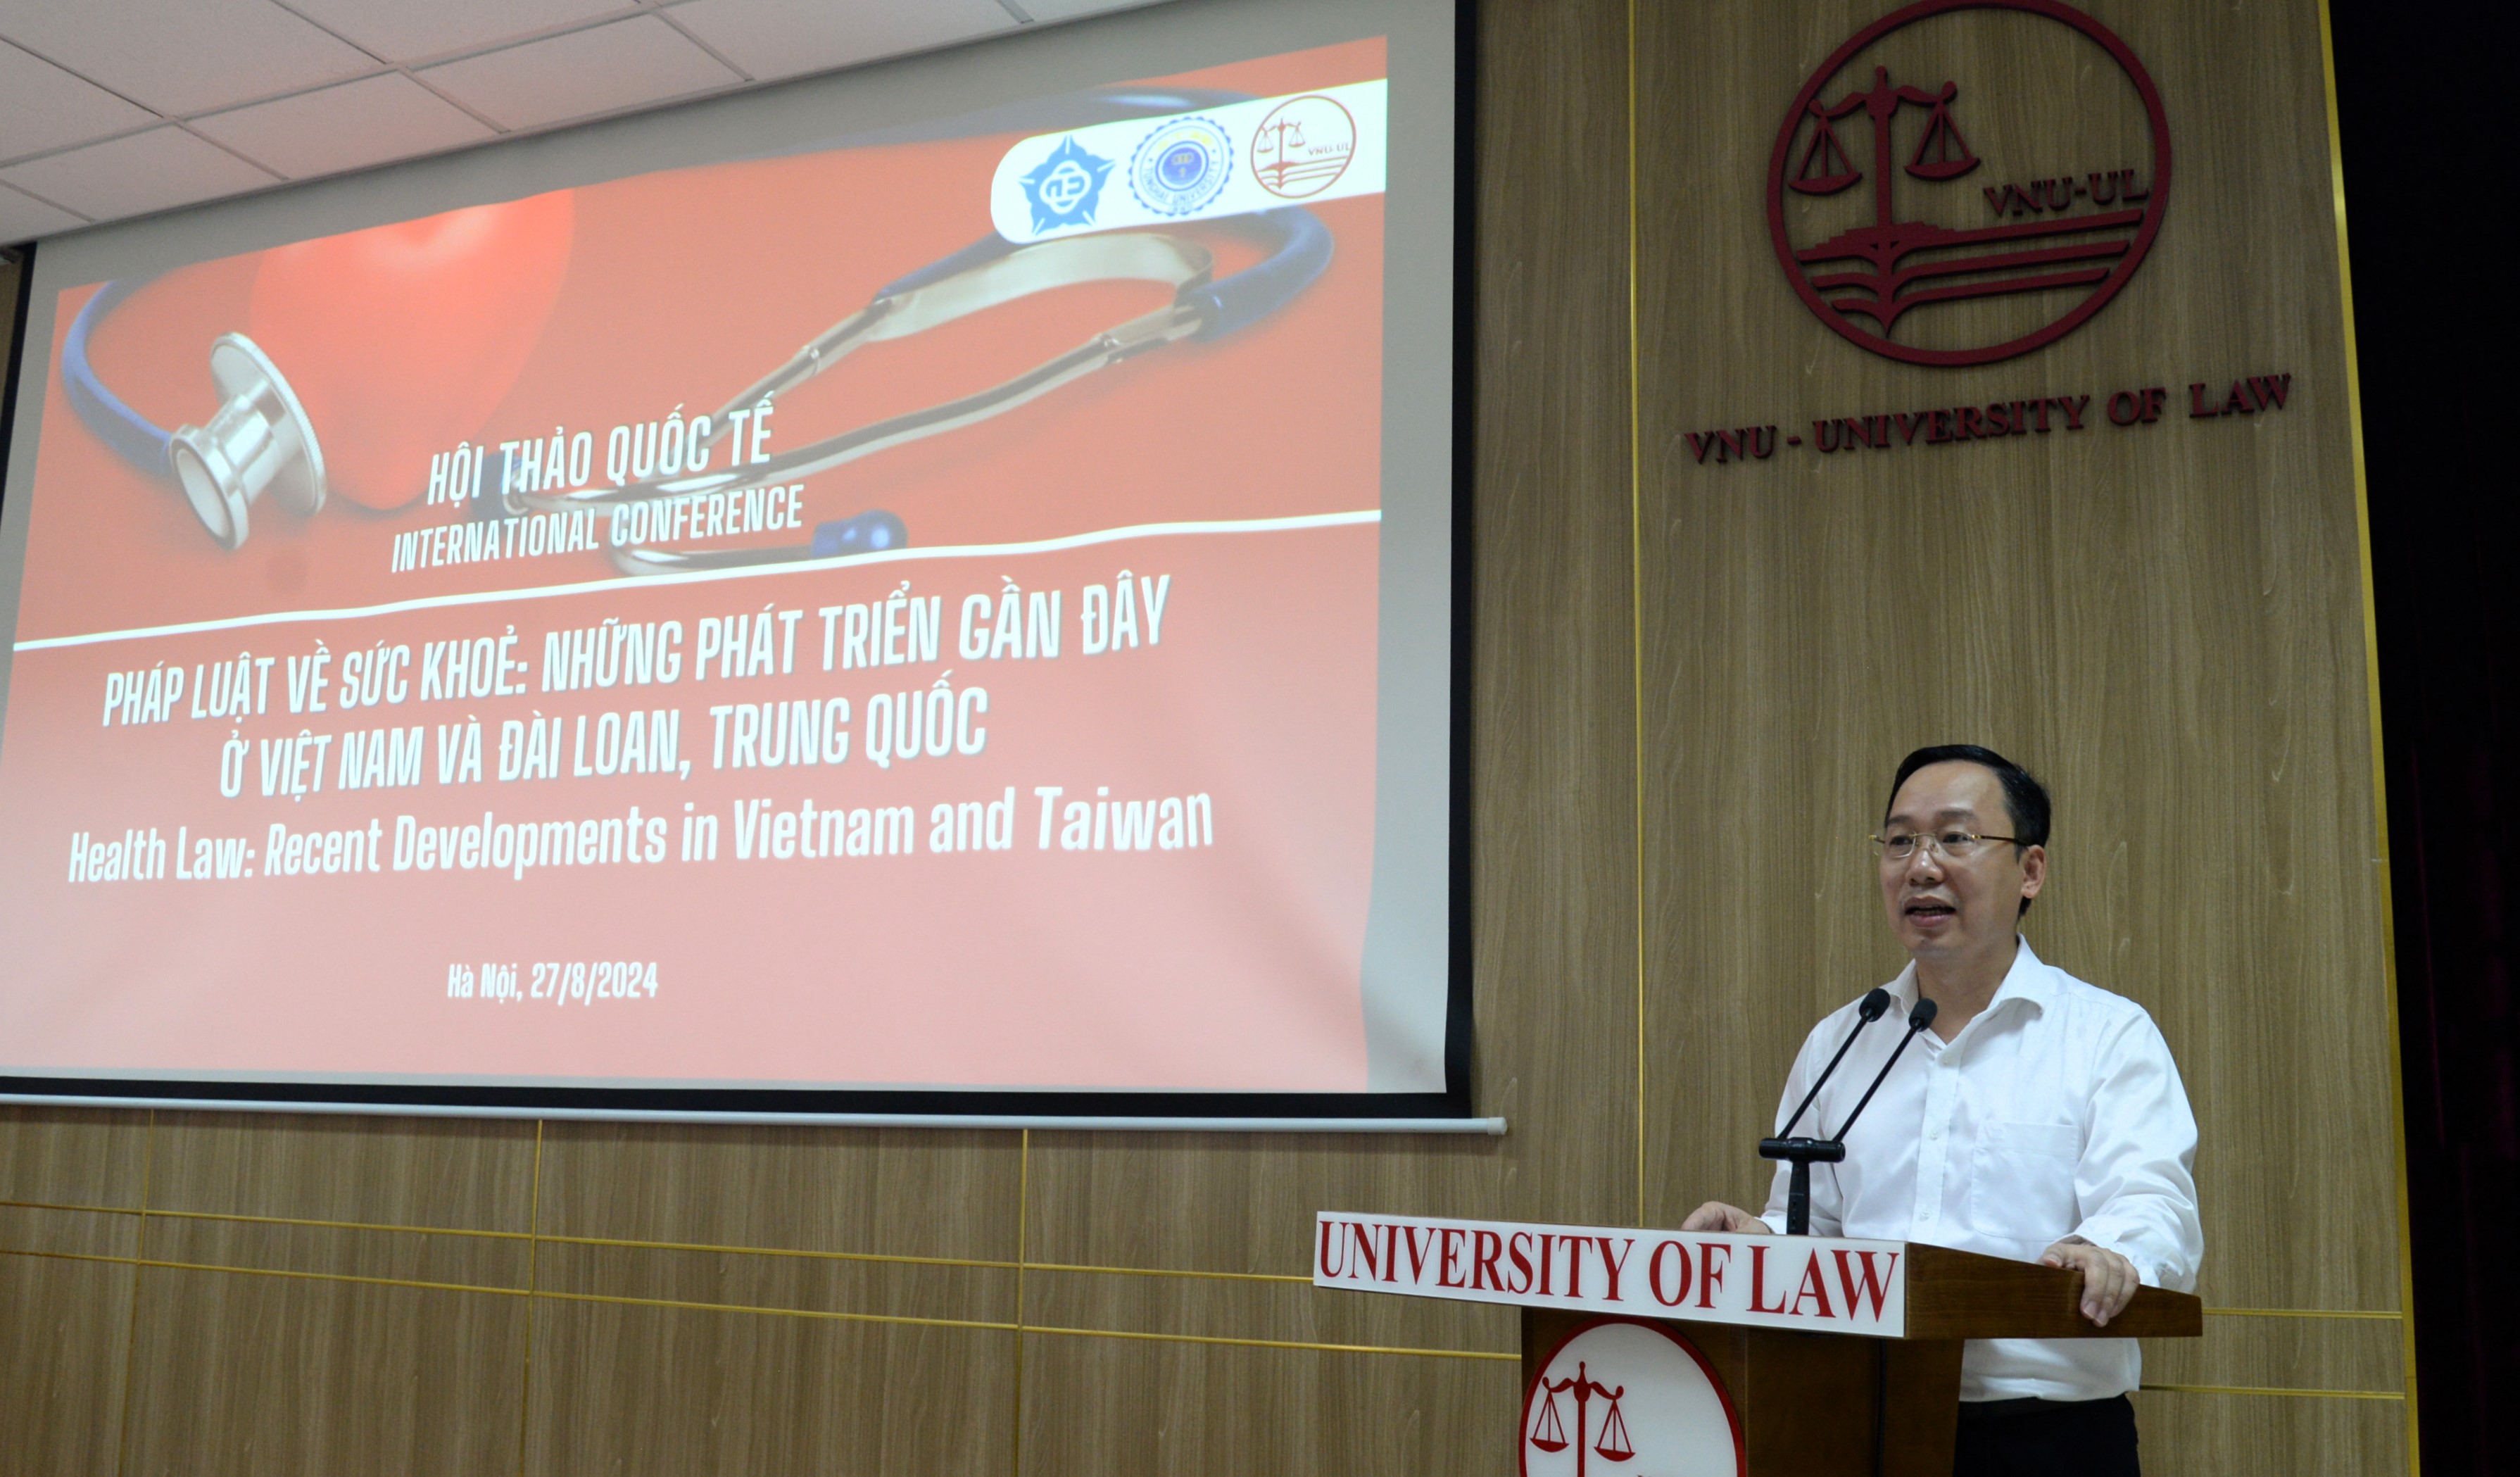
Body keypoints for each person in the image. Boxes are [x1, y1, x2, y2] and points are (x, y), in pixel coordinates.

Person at [1682, 744, 2200, 1477]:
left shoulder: (2105, 1035)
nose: (1921, 866)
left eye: (1955, 838)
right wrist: (1758, 1237)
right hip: (1858, 1421)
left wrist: (2107, 1252)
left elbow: (2152, 1203)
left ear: (2030, 870)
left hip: (2046, 1437)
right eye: (1899, 841)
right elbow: (1816, 1226)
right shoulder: (1843, 1039)